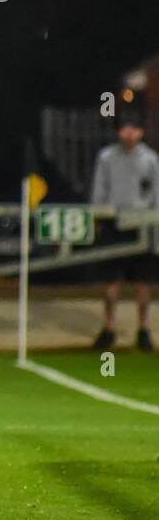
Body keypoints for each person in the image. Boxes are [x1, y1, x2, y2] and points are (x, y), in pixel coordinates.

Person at [89, 114, 159, 351]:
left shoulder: (150, 160)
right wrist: (100, 216)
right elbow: (99, 191)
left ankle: (144, 329)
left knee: (143, 282)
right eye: (125, 129)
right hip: (114, 224)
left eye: (134, 129)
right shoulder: (106, 157)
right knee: (111, 282)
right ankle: (108, 328)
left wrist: (152, 218)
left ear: (141, 132)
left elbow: (156, 194)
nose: (129, 134)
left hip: (141, 225)